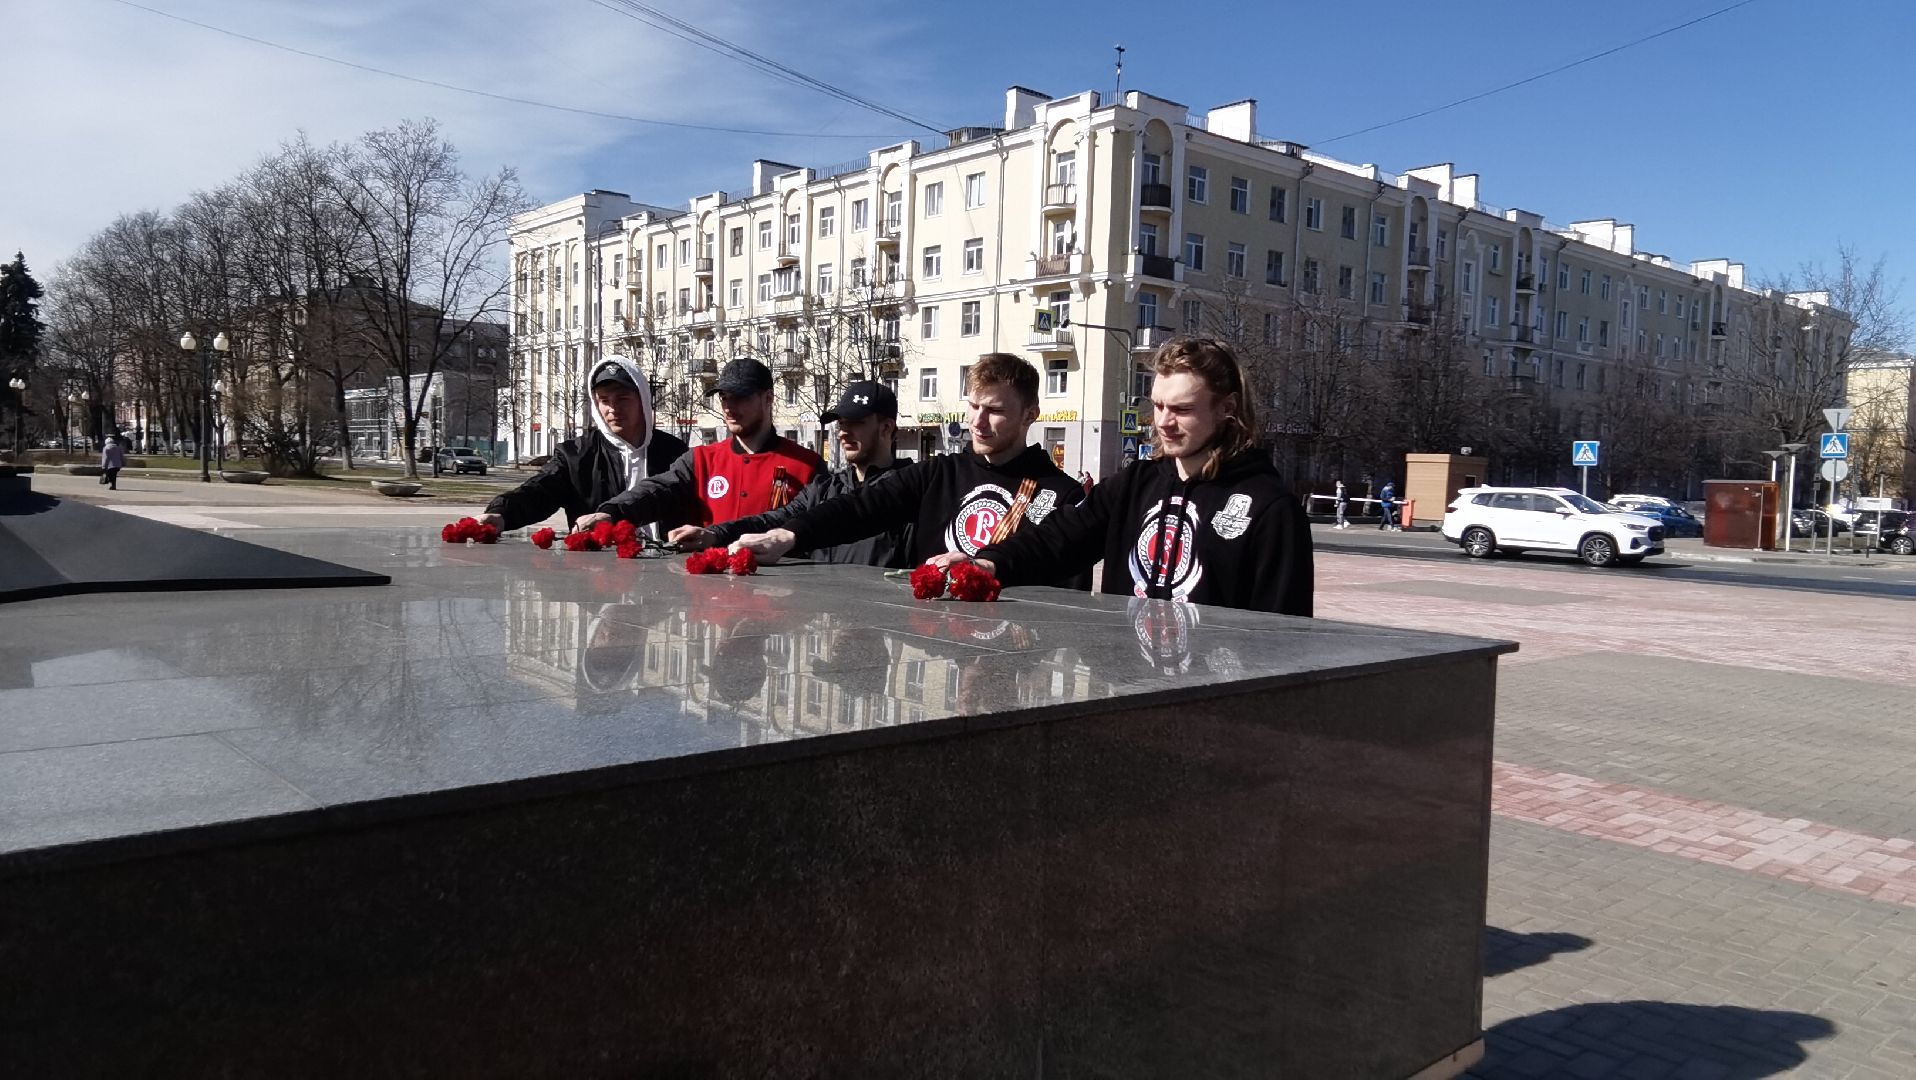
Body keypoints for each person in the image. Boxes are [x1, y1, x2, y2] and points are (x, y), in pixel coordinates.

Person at [930, 337, 1313, 617]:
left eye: (1182, 409)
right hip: (1128, 693)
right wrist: (990, 563)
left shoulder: (1270, 507)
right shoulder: (1136, 484)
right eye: (1159, 405)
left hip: (1207, 709)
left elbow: (1279, 637)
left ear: (1226, 408)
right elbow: (1058, 540)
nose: (1163, 421)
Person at [729, 353, 1089, 587]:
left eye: (994, 411)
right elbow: (861, 507)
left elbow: (1066, 594)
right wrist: (788, 536)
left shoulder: (1060, 494)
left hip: (1015, 662)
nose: (978, 422)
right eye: (973, 406)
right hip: (938, 647)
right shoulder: (939, 473)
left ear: (1030, 415)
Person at [673, 380, 914, 566]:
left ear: (886, 428)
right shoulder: (825, 489)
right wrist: (714, 534)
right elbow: (772, 519)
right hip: (826, 623)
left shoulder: (913, 493)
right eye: (841, 424)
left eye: (856, 423)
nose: (842, 433)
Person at [585, 357, 827, 536]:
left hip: (783, 595)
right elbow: (658, 491)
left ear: (768, 398)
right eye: (724, 398)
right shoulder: (701, 459)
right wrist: (613, 512)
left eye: (741, 397)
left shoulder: (807, 465)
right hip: (710, 596)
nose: (730, 407)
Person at [479, 356, 689, 534]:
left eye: (623, 398)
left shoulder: (674, 452)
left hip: (663, 568)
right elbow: (539, 490)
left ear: (642, 399)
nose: (613, 409)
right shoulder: (575, 455)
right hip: (595, 566)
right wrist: (501, 512)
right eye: (604, 400)